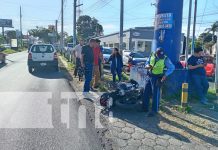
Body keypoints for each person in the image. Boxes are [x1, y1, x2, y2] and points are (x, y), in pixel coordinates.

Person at [143, 47, 175, 117]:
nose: (161, 57)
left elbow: (172, 67)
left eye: (162, 55)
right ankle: (144, 108)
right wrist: (147, 66)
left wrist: (165, 75)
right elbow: (147, 62)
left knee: (155, 94)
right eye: (159, 55)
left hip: (157, 78)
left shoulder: (165, 58)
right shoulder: (152, 55)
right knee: (146, 92)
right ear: (156, 53)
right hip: (150, 76)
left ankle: (154, 111)